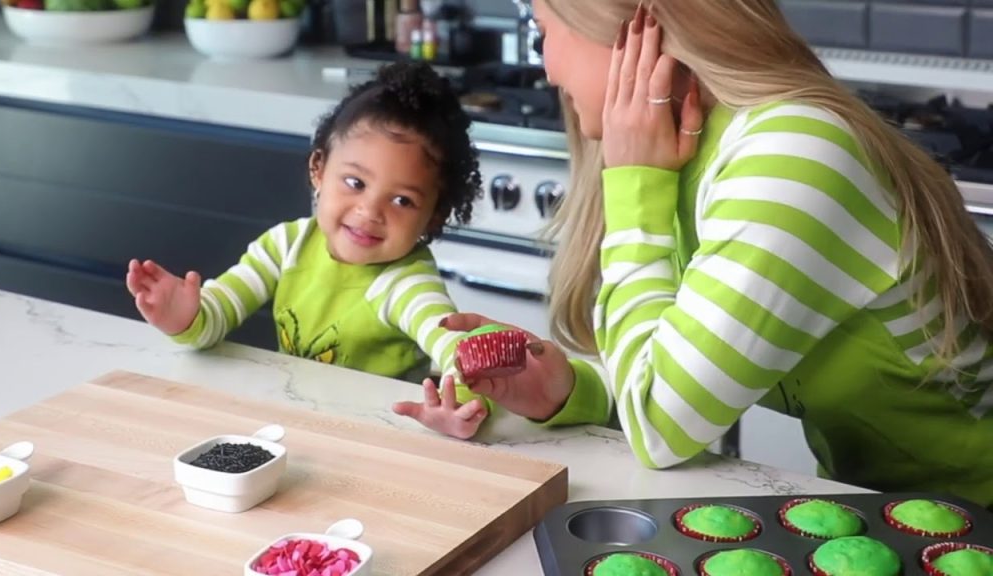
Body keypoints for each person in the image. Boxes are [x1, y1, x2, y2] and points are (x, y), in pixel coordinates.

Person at [439, 0, 993, 508]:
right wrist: (564, 390)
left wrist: (635, 187)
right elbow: (678, 378)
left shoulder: (790, 156)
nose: (549, 70)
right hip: (890, 512)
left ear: (639, 29)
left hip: (974, 518)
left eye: (544, 34)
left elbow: (661, 427)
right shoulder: (700, 149)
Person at [126, 61, 489, 440]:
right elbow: (218, 314)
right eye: (355, 182)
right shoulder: (287, 245)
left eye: (402, 200)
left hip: (375, 440)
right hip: (295, 426)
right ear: (319, 168)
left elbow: (457, 349)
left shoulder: (405, 283)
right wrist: (187, 316)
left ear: (434, 216)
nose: (369, 212)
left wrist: (456, 404)